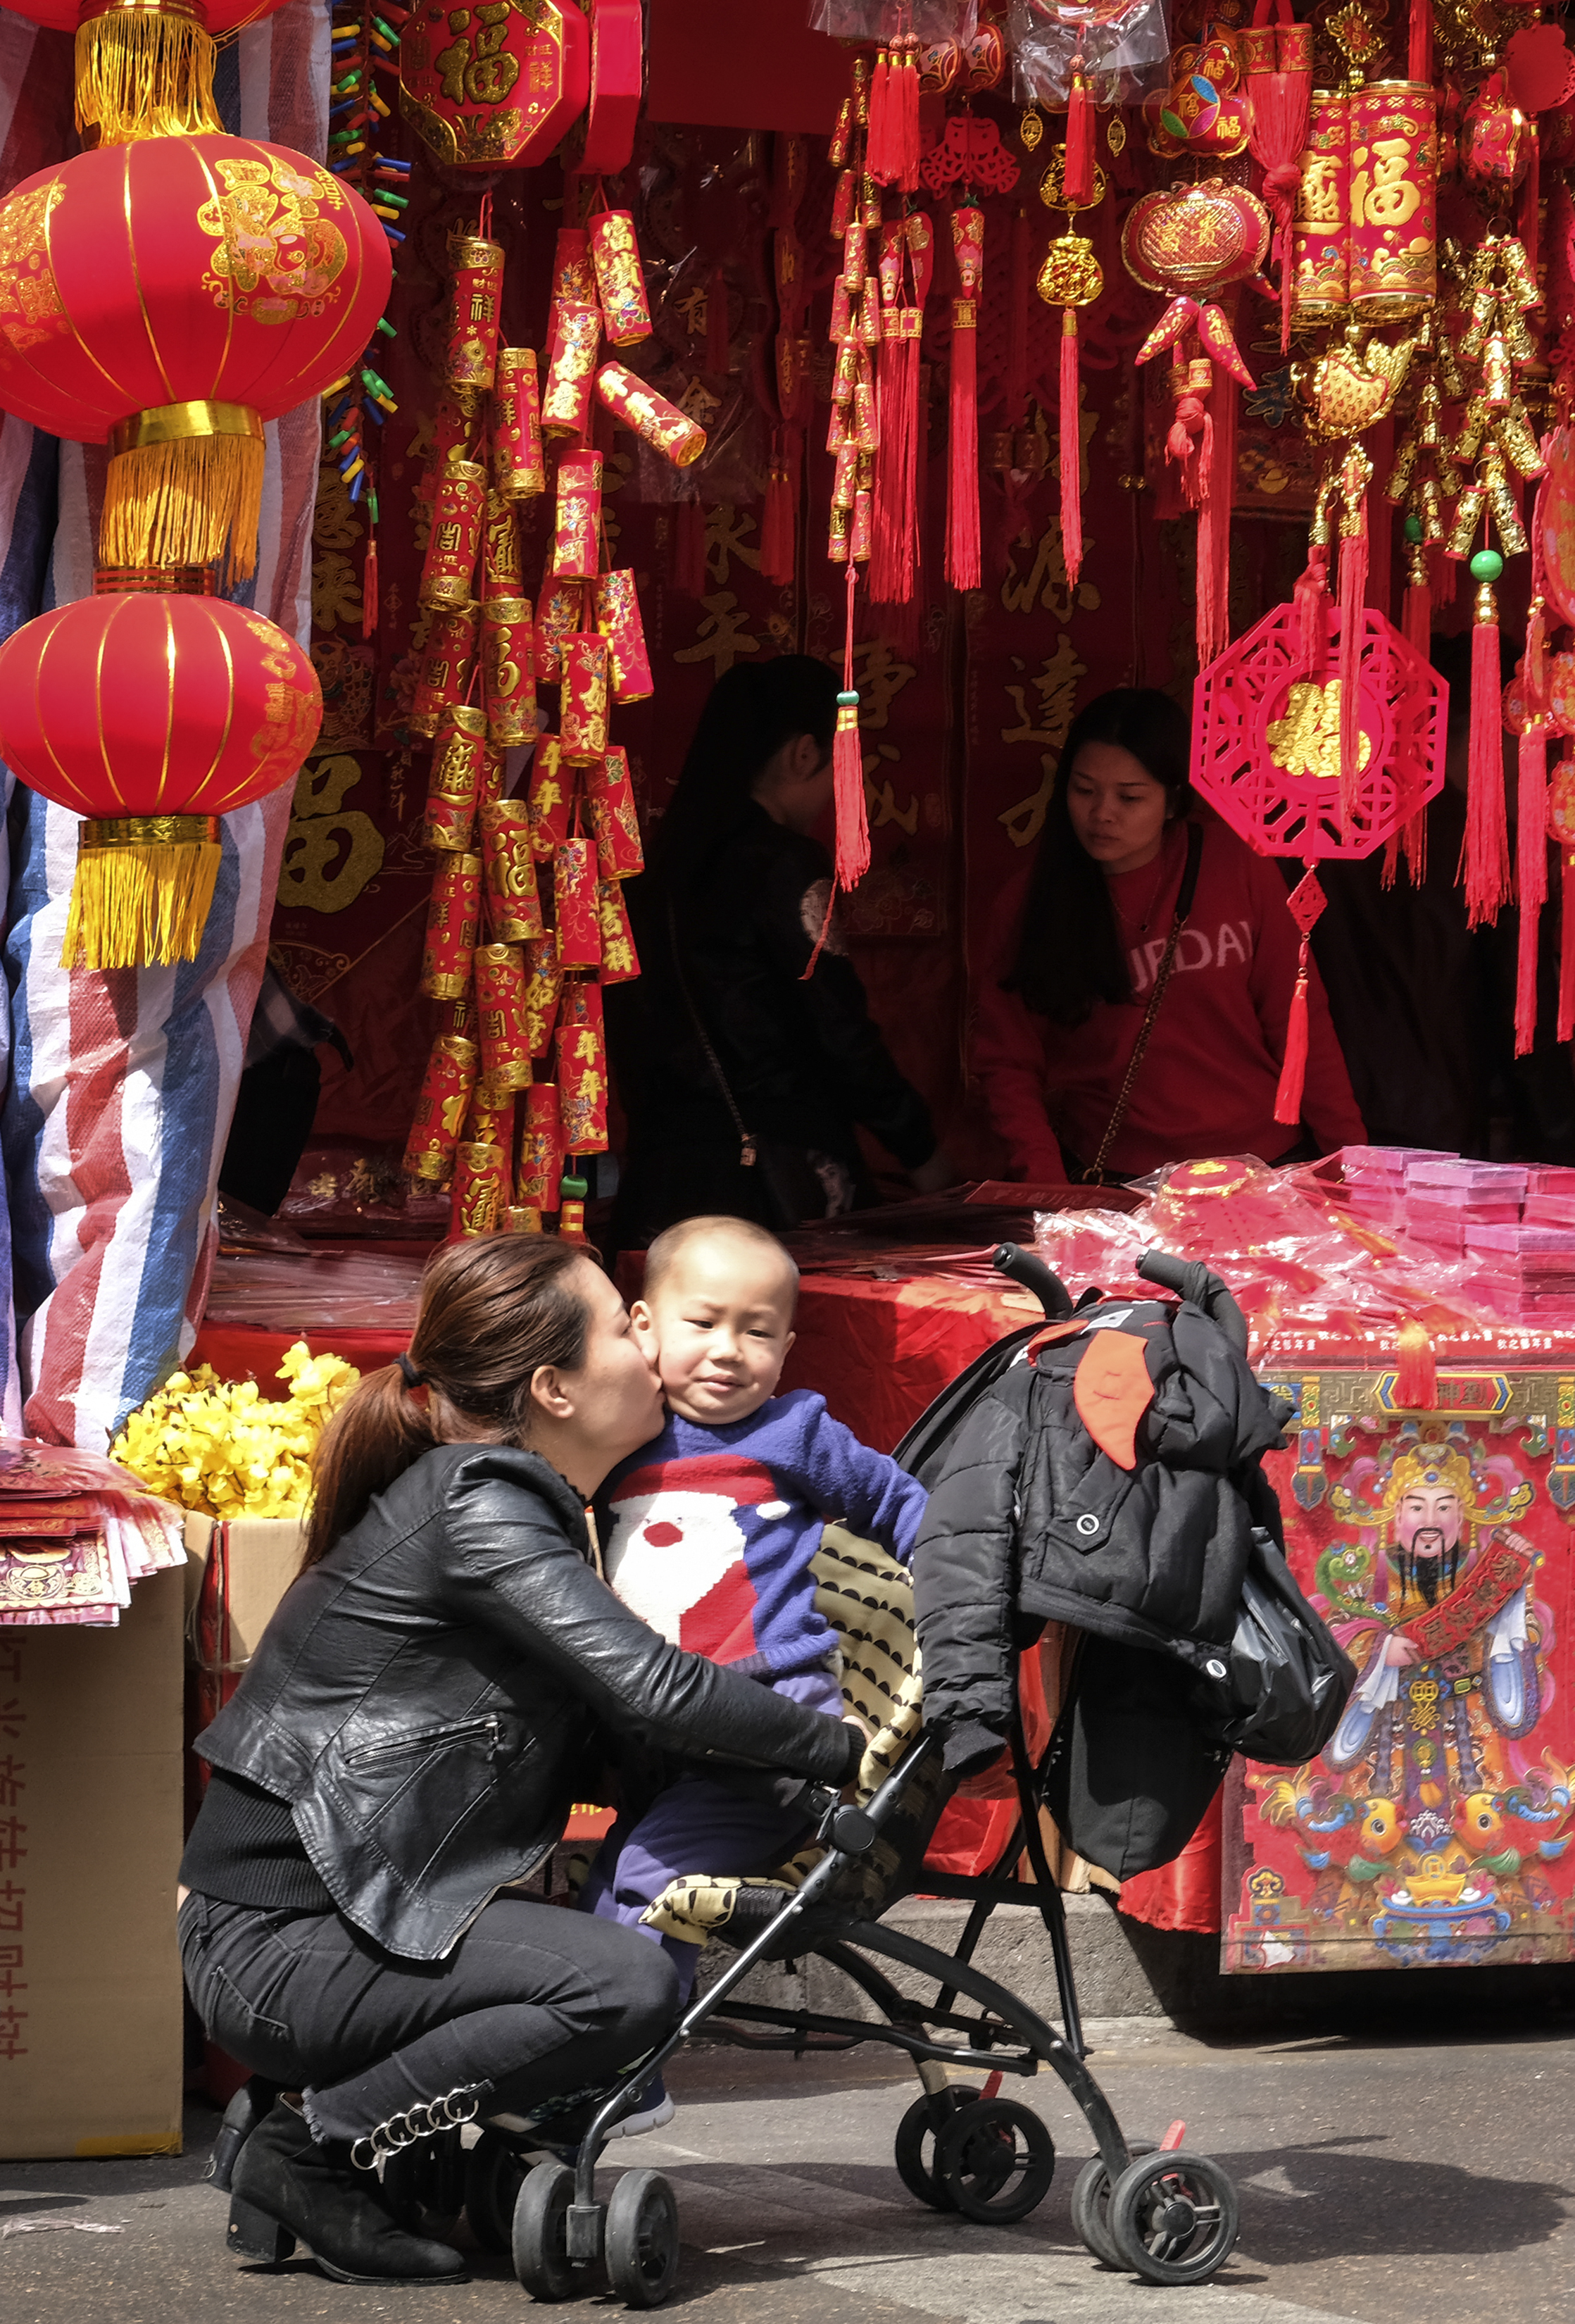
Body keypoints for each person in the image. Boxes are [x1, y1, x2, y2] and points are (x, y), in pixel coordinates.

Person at [177, 1236, 863, 2287]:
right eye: (624, 1328)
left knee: (595, 1960)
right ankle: (309, 2148)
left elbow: (622, 1731)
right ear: (554, 1389)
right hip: (277, 1949)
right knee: (622, 1983)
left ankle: (308, 2123)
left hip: (318, 1934)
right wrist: (843, 1751)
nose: (652, 1349)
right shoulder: (479, 1500)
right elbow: (655, 1688)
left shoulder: (512, 1505)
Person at [581, 1212, 928, 2127]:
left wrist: (959, 1587)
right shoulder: (618, 1433)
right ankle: (586, 2051)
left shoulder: (794, 1433)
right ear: (642, 1327)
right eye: (702, 1323)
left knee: (647, 1886)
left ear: (787, 1347)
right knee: (603, 1887)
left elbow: (901, 1506)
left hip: (768, 1744)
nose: (728, 1351)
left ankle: (624, 2079)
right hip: (657, 1740)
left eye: (758, 1331)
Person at [606, 655, 954, 1247]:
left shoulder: (646, 873)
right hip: (769, 1184)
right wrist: (919, 1149)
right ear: (803, 754)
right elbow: (840, 1032)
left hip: (657, 1186)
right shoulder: (783, 865)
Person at [972, 687, 1364, 1182]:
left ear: (1173, 800)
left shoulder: (1235, 865)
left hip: (1261, 1165)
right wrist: (1050, 1188)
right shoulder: (1031, 902)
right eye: (1084, 790)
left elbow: (1301, 1024)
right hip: (1120, 1176)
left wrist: (1351, 1164)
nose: (1102, 814)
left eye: (1129, 797)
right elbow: (1008, 1065)